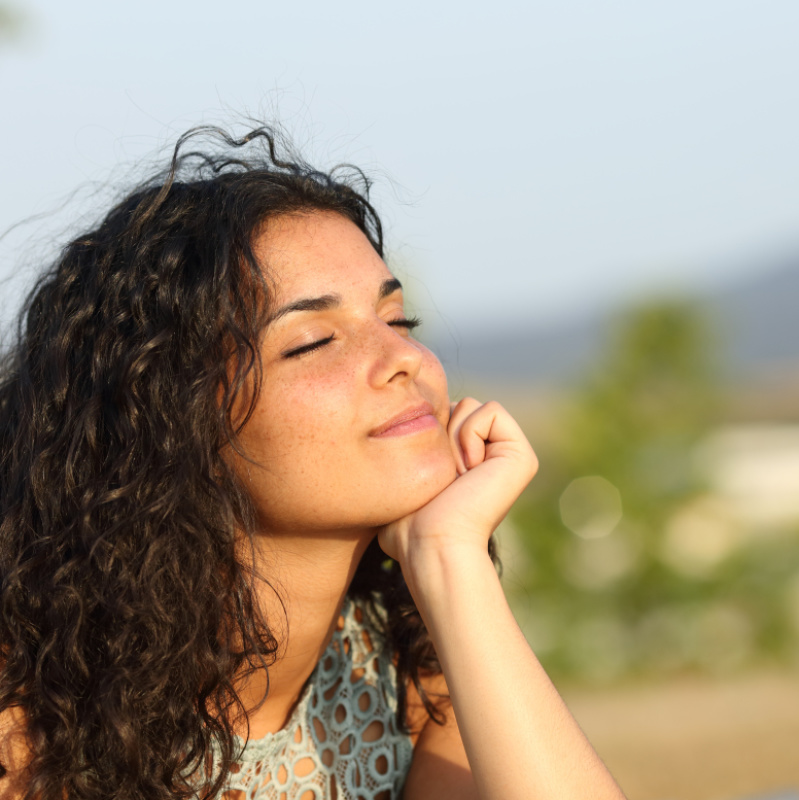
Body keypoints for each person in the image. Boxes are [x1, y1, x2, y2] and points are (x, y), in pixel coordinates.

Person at [0, 125, 626, 800]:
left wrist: (449, 558)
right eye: (314, 341)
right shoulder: (27, 721)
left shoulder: (411, 677)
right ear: (168, 420)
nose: (405, 359)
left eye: (398, 321)